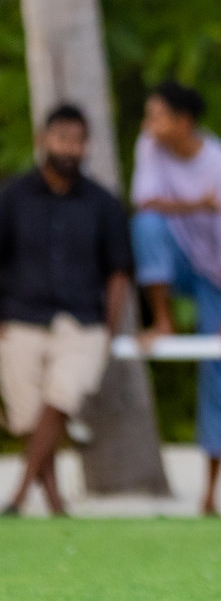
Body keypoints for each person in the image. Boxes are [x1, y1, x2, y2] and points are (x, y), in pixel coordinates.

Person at [0, 105, 134, 516]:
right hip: (20, 318)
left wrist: (108, 327)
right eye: (62, 139)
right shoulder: (12, 197)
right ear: (43, 140)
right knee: (28, 418)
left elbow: (119, 270)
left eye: (78, 141)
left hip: (83, 322)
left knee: (61, 398)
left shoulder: (103, 203)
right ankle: (55, 502)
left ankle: (19, 495)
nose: (70, 149)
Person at [130, 81, 221, 517]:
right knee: (146, 225)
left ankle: (211, 494)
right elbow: (145, 203)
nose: (148, 124)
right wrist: (200, 205)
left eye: (157, 116)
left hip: (218, 276)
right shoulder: (150, 146)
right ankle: (162, 318)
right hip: (175, 261)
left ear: (183, 121)